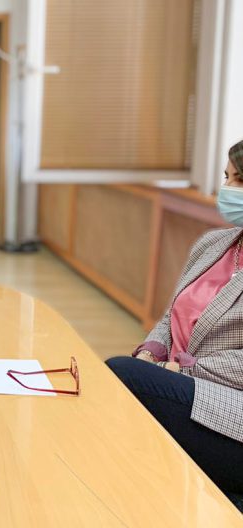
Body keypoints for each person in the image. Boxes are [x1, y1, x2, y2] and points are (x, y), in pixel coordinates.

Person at [107, 139, 243, 496]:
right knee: (125, 379)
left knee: (122, 375)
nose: (228, 189)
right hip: (187, 386)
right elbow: (174, 314)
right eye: (226, 177)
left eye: (239, 180)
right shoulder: (214, 244)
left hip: (231, 408)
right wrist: (151, 351)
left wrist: (181, 368)